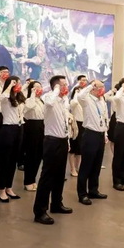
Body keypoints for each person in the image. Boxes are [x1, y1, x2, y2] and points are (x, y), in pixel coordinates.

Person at [33, 76, 75, 224]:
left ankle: (56, 203)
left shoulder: (63, 101)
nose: (66, 87)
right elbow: (50, 101)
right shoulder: (48, 97)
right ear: (56, 86)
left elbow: (64, 123)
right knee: (47, 176)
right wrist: (57, 89)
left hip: (62, 140)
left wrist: (67, 140)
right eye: (63, 85)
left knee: (59, 175)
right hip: (51, 141)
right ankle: (40, 211)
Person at [76, 80, 109, 205]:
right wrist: (90, 85)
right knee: (86, 165)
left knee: (96, 165)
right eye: (99, 87)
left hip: (100, 134)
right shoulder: (87, 100)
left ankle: (93, 190)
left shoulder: (102, 100)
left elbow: (104, 117)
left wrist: (105, 133)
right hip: (90, 135)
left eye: (103, 87)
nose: (102, 89)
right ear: (93, 88)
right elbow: (80, 96)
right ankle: (82, 194)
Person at [0, 75, 25, 202]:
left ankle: (9, 187)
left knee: (13, 160)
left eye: (18, 83)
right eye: (15, 83)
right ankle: (1, 189)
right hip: (8, 129)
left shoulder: (19, 98)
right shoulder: (6, 98)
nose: (18, 85)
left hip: (19, 128)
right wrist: (9, 87)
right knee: (5, 160)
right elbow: (2, 97)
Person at [23, 81, 45, 191]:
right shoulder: (28, 100)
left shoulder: (41, 101)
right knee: (31, 154)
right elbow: (29, 107)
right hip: (32, 127)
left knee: (39, 154)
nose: (39, 89)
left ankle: (33, 179)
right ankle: (28, 181)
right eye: (36, 87)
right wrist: (32, 93)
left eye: (40, 86)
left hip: (42, 126)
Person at [68, 75, 87, 177]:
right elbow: (74, 102)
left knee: (80, 149)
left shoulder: (84, 102)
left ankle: (77, 167)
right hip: (76, 125)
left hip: (84, 124)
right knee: (74, 149)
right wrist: (76, 93)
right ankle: (72, 169)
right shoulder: (73, 101)